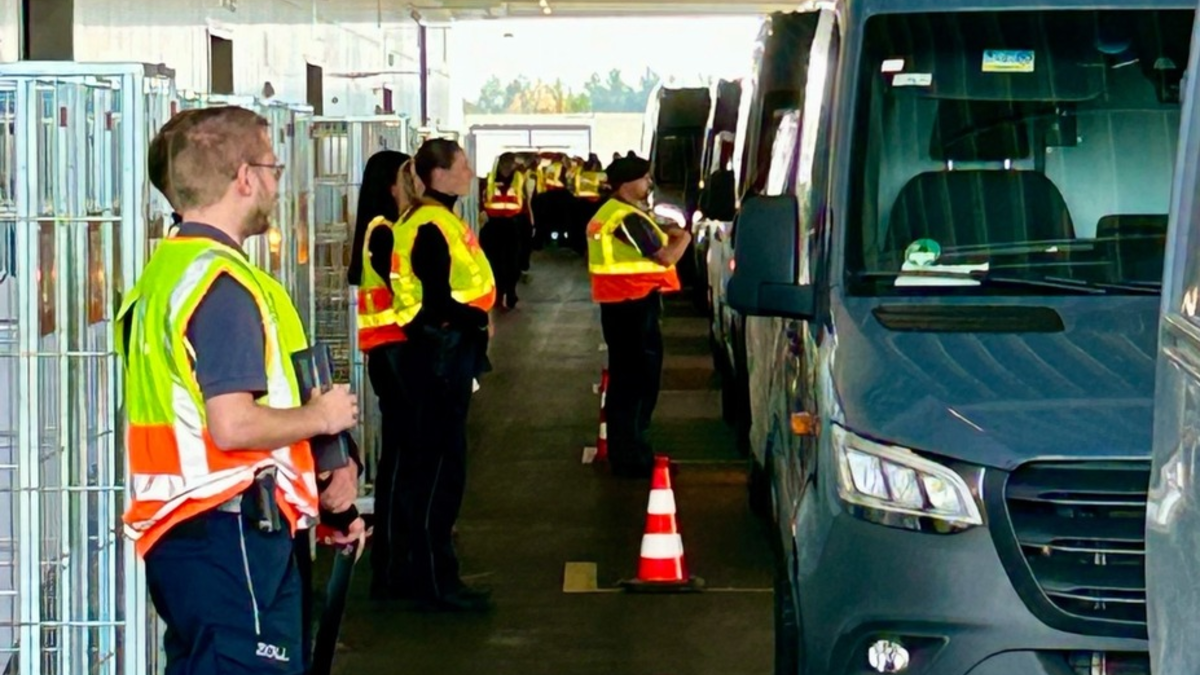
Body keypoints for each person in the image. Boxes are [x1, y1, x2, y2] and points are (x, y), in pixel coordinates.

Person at [117, 106, 366, 674]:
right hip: (232, 535)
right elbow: (233, 425)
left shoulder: (167, 275)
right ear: (245, 177)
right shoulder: (222, 285)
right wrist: (323, 417)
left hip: (193, 537)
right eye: (273, 168)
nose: (277, 184)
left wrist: (320, 490)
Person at [389, 138, 496, 611]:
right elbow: (436, 299)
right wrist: (475, 320)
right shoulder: (431, 224)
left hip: (437, 353)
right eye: (463, 165)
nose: (470, 173)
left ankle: (427, 575)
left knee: (431, 468)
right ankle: (436, 582)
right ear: (439, 176)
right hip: (439, 357)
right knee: (439, 473)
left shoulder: (431, 219)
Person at [346, 149, 424, 601]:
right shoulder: (386, 232)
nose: (416, 185)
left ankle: (396, 554)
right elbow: (407, 295)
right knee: (402, 457)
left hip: (391, 354)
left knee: (404, 454)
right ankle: (393, 558)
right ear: (391, 186)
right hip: (395, 354)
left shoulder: (385, 230)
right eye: (408, 177)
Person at [587, 154, 691, 478]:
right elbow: (665, 257)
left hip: (624, 304)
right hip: (631, 306)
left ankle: (630, 452)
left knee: (629, 381)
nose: (649, 184)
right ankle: (632, 458)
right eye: (644, 178)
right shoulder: (624, 218)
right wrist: (685, 238)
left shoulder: (618, 213)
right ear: (627, 183)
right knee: (635, 383)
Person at [479, 152, 525, 309]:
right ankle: (498, 295)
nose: (508, 167)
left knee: (513, 262)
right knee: (494, 262)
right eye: (506, 163)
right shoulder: (489, 179)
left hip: (512, 223)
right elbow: (482, 198)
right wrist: (482, 212)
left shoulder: (518, 178)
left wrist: (529, 220)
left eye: (511, 163)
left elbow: (524, 198)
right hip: (493, 224)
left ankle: (511, 293)